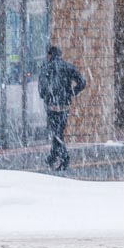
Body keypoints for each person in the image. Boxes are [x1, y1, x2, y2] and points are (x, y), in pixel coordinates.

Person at [36, 44, 88, 172]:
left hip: (52, 105)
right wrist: (72, 92)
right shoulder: (68, 67)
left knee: (56, 132)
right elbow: (82, 82)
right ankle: (52, 157)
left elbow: (41, 87)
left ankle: (64, 158)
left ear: (50, 55)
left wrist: (45, 96)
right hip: (64, 105)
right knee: (58, 131)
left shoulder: (46, 67)